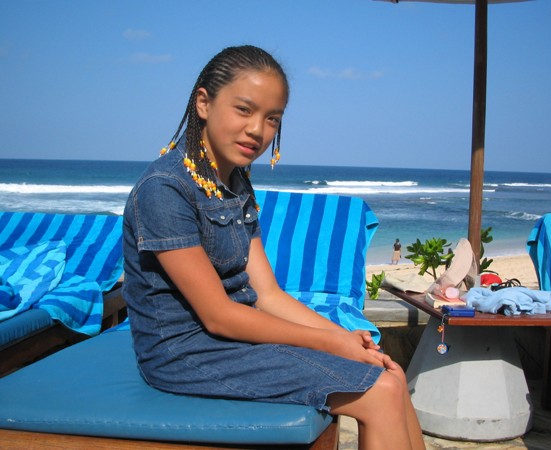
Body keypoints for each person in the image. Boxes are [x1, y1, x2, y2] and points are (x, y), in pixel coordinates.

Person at [122, 45, 424, 450]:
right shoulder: (164, 189)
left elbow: (267, 294)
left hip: (232, 341)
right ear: (204, 103)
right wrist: (332, 343)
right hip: (184, 353)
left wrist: (345, 336)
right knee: (380, 391)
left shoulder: (234, 183)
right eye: (243, 110)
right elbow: (217, 316)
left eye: (272, 119)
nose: (257, 130)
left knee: (393, 376)